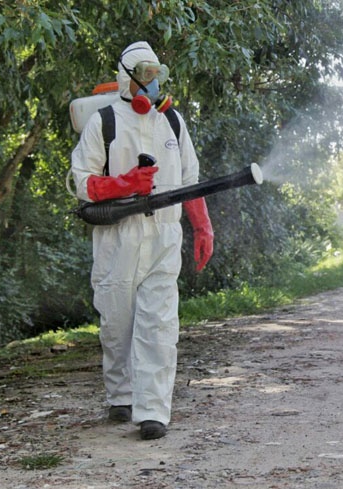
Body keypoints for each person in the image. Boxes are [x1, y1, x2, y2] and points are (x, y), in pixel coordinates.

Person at [70, 41, 213, 440]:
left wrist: (203, 227)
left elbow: (190, 180)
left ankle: (152, 411)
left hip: (164, 234)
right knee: (117, 322)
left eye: (157, 77)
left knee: (159, 323)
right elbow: (81, 182)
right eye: (146, 76)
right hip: (118, 236)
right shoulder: (105, 123)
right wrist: (124, 184)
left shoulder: (173, 122)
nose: (152, 86)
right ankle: (122, 394)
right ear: (127, 78)